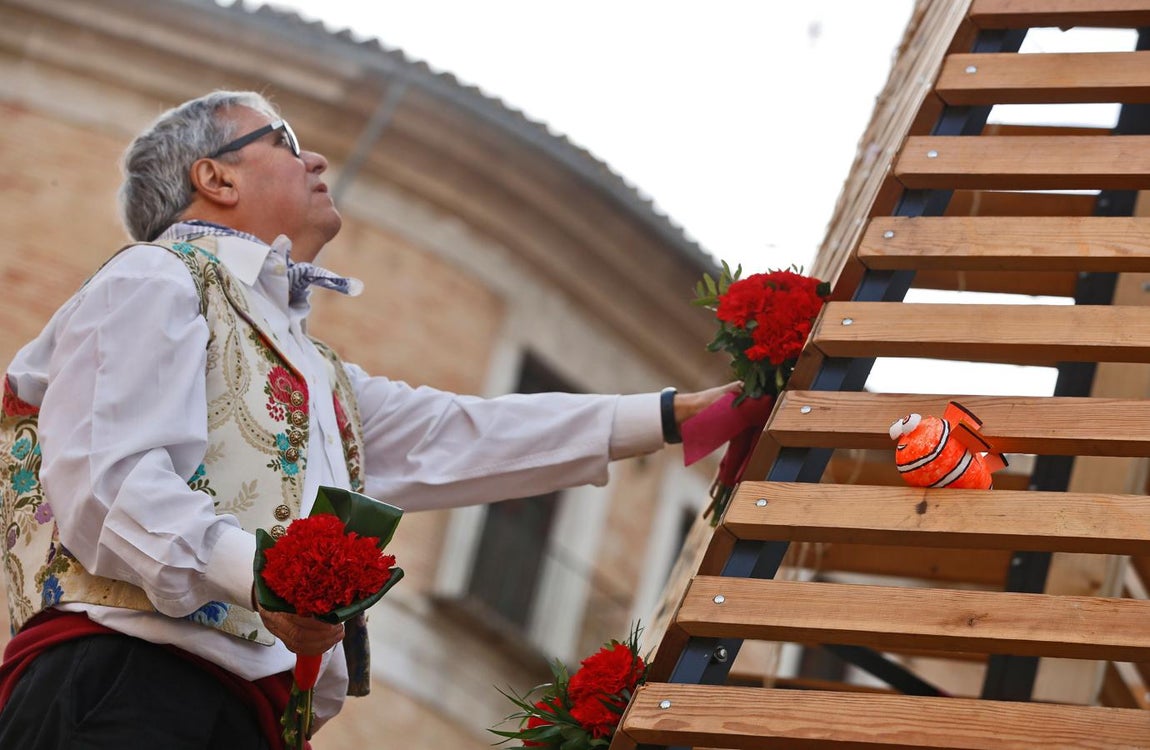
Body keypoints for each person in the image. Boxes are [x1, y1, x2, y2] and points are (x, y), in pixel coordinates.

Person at [0, 90, 735, 748]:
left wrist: (678, 417)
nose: (315, 157)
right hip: (125, 686)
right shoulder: (151, 275)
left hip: (238, 714)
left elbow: (461, 435)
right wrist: (266, 579)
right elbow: (110, 481)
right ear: (214, 178)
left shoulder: (319, 374)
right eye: (284, 142)